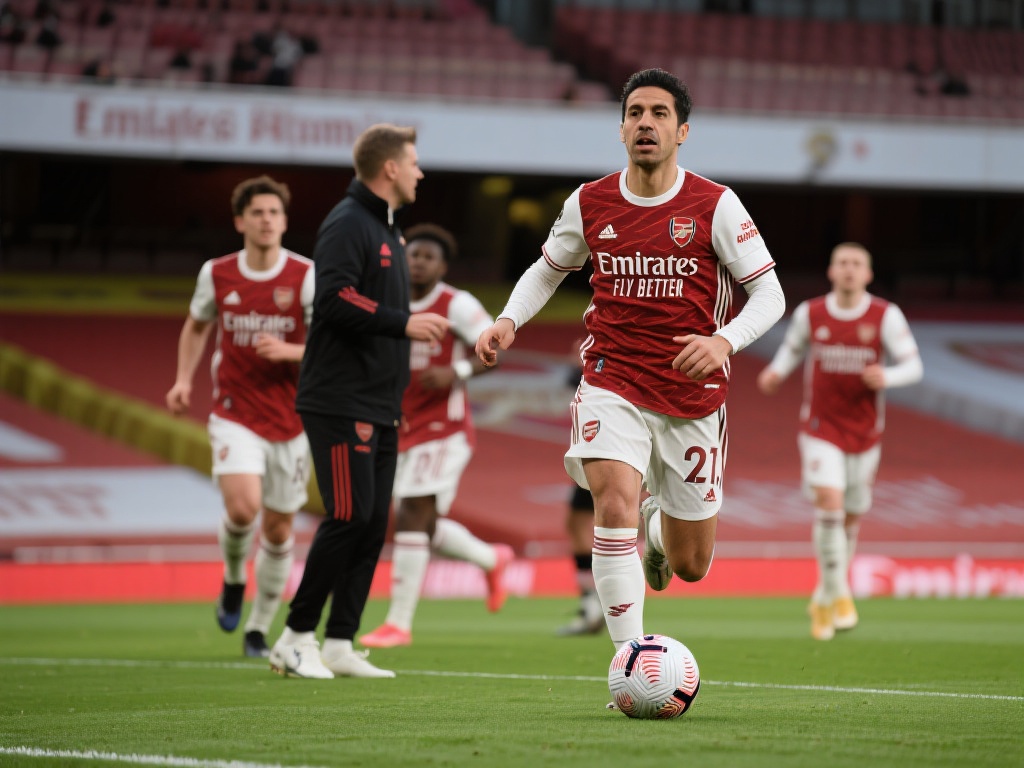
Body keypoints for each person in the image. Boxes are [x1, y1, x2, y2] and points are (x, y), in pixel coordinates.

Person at [476, 68, 786, 664]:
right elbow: (547, 270)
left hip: (692, 394)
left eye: (660, 114)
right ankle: (631, 659)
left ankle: (658, 530)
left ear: (682, 131)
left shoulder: (715, 204)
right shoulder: (589, 201)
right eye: (635, 113)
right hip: (611, 377)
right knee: (612, 501)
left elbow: (769, 295)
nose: (646, 123)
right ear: (621, 129)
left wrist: (724, 342)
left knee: (691, 565)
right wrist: (508, 320)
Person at [268, 124, 449, 680]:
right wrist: (403, 322)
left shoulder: (387, 228)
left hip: (379, 402)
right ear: (390, 168)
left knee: (371, 523)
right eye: (413, 162)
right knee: (347, 515)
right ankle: (295, 637)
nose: (420, 172)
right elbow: (334, 298)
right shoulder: (348, 222)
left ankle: (340, 640)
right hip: (341, 399)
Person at [166, 175, 313, 659]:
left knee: (278, 530)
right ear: (240, 222)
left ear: (284, 222)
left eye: (274, 213)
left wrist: (290, 351)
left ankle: (258, 628)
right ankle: (233, 578)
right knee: (243, 509)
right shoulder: (217, 273)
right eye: (257, 213)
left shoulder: (306, 275)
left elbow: (330, 344)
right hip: (235, 412)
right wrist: (183, 380)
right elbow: (196, 326)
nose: (266, 220)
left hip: (292, 419)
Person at [756, 242, 923, 641]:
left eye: (856, 264)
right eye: (842, 263)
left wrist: (887, 376)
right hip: (820, 427)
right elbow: (792, 349)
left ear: (868, 274)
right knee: (829, 502)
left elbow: (914, 365)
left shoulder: (884, 315)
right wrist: (776, 372)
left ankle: (823, 596)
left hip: (865, 432)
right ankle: (842, 594)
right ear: (831, 271)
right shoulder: (811, 312)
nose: (849, 269)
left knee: (849, 517)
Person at [360, 223, 514, 649]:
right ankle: (491, 558)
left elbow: (495, 350)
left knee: (411, 513)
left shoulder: (456, 304)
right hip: (398, 427)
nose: (419, 262)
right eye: (414, 254)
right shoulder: (386, 300)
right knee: (422, 524)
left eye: (429, 257)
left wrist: (456, 371)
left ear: (443, 267)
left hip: (444, 429)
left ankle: (398, 624)